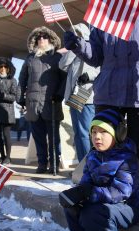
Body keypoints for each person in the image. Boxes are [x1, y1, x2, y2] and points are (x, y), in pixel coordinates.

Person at [63, 1, 139, 190]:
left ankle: (136, 193)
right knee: (104, 144)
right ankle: (104, 190)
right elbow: (97, 55)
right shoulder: (106, 16)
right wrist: (79, 46)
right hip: (109, 91)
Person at [59, 109, 139, 231]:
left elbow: (121, 192)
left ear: (118, 134)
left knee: (95, 212)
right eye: (93, 132)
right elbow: (86, 182)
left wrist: (90, 193)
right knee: (72, 204)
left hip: (129, 206)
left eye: (103, 132)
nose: (97, 137)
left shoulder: (126, 159)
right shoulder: (93, 156)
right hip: (105, 202)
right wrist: (78, 193)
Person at [19, 26, 67, 174]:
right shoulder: (29, 58)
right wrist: (20, 97)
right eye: (38, 38)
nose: (41, 39)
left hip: (51, 102)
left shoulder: (57, 57)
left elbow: (64, 79)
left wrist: (59, 95)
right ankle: (41, 164)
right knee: (38, 137)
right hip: (33, 103)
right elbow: (22, 79)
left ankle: (54, 164)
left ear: (50, 39)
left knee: (54, 138)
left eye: (44, 37)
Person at [59, 23, 100, 163]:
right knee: (78, 134)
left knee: (86, 133)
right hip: (74, 94)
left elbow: (99, 68)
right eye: (74, 32)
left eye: (78, 32)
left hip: (86, 92)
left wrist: (89, 76)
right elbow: (62, 65)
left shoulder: (92, 47)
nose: (76, 35)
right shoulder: (74, 50)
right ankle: (83, 165)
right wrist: (72, 48)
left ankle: (90, 165)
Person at [0, 57, 20, 165]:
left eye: (5, 67)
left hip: (7, 111)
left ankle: (8, 157)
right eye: (0, 67)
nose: (3, 69)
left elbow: (14, 97)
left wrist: (3, 95)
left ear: (9, 68)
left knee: (6, 135)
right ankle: (1, 155)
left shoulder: (13, 80)